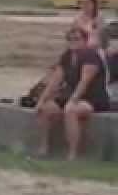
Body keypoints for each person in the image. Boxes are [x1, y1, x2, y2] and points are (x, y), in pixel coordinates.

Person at [35, 27, 110, 160]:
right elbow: (55, 81)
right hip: (71, 95)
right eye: (70, 39)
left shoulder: (90, 56)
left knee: (71, 111)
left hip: (92, 98)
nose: (73, 41)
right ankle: (43, 149)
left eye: (77, 39)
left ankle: (72, 154)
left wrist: (73, 100)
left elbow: (84, 81)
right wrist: (41, 100)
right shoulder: (67, 56)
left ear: (85, 41)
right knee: (46, 109)